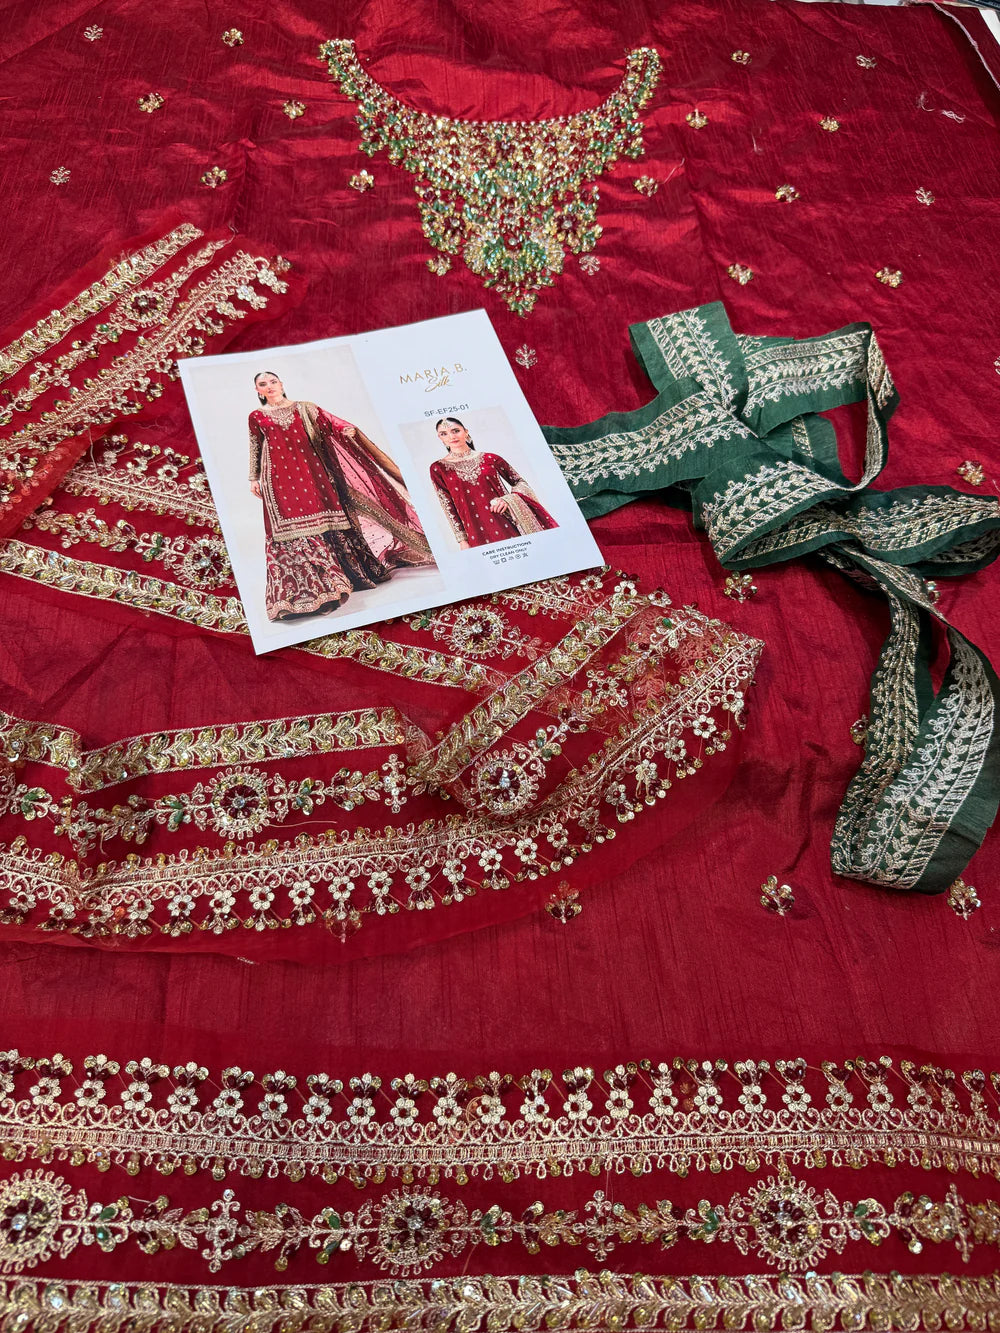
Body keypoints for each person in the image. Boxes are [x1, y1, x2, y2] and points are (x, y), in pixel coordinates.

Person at [249, 371, 431, 620]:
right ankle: (310, 590)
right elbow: (256, 446)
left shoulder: (306, 408)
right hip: (278, 478)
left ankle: (341, 577)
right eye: (263, 384)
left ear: (281, 384)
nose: (269, 386)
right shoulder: (256, 416)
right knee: (289, 527)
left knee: (323, 518)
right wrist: (253, 477)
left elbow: (331, 422)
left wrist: (346, 430)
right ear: (258, 390)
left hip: (313, 472)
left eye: (273, 381)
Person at [429, 417, 558, 549]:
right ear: (440, 438)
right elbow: (447, 505)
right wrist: (462, 540)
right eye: (444, 434)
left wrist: (507, 500)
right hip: (474, 530)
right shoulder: (438, 468)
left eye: (456, 431)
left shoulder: (491, 458)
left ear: (466, 432)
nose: (451, 437)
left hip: (506, 519)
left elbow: (520, 483)